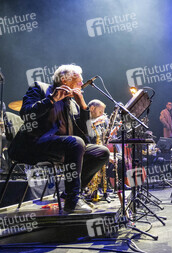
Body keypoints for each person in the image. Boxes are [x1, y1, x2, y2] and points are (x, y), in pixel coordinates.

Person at [8, 64, 110, 213]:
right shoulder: (40, 88)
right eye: (78, 81)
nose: (82, 85)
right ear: (64, 80)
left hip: (63, 147)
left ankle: (69, 194)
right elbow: (26, 114)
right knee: (75, 142)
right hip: (34, 145)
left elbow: (87, 136)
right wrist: (51, 100)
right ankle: (72, 202)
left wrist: (83, 106)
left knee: (101, 152)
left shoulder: (72, 103)